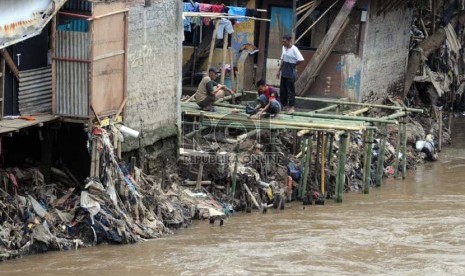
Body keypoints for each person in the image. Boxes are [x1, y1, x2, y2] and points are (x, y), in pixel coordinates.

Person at [276, 35, 304, 115]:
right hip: (284, 70)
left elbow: (301, 59)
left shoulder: (294, 49)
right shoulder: (283, 48)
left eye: (284, 41)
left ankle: (292, 106)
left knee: (290, 90)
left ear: (289, 41)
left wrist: (294, 65)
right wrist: (278, 71)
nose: (283, 43)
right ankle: (284, 105)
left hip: (291, 71)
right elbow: (283, 59)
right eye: (282, 41)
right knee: (283, 89)